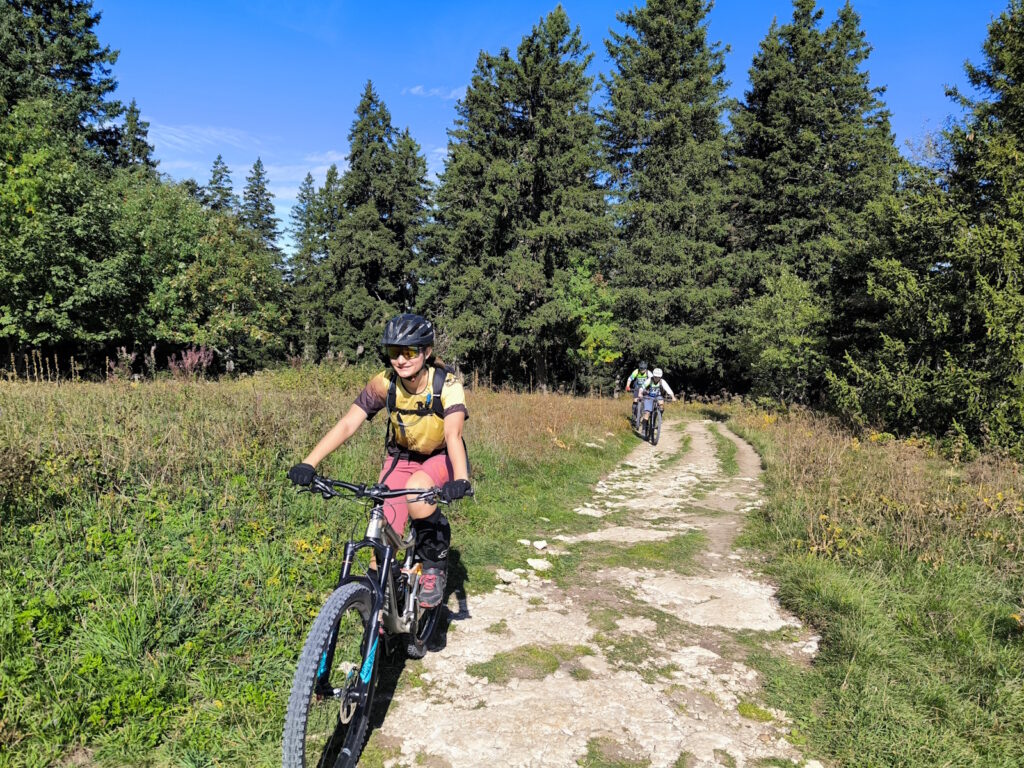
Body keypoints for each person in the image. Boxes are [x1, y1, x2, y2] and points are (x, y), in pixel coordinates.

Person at [287, 313, 470, 608]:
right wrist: (309, 462)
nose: (400, 360)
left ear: (426, 352)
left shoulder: (446, 385)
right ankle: (381, 617)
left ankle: (433, 562)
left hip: (440, 457)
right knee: (381, 543)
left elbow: (453, 434)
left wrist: (461, 479)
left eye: (409, 352)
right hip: (401, 458)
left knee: (418, 493)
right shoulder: (384, 383)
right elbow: (348, 423)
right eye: (394, 352)